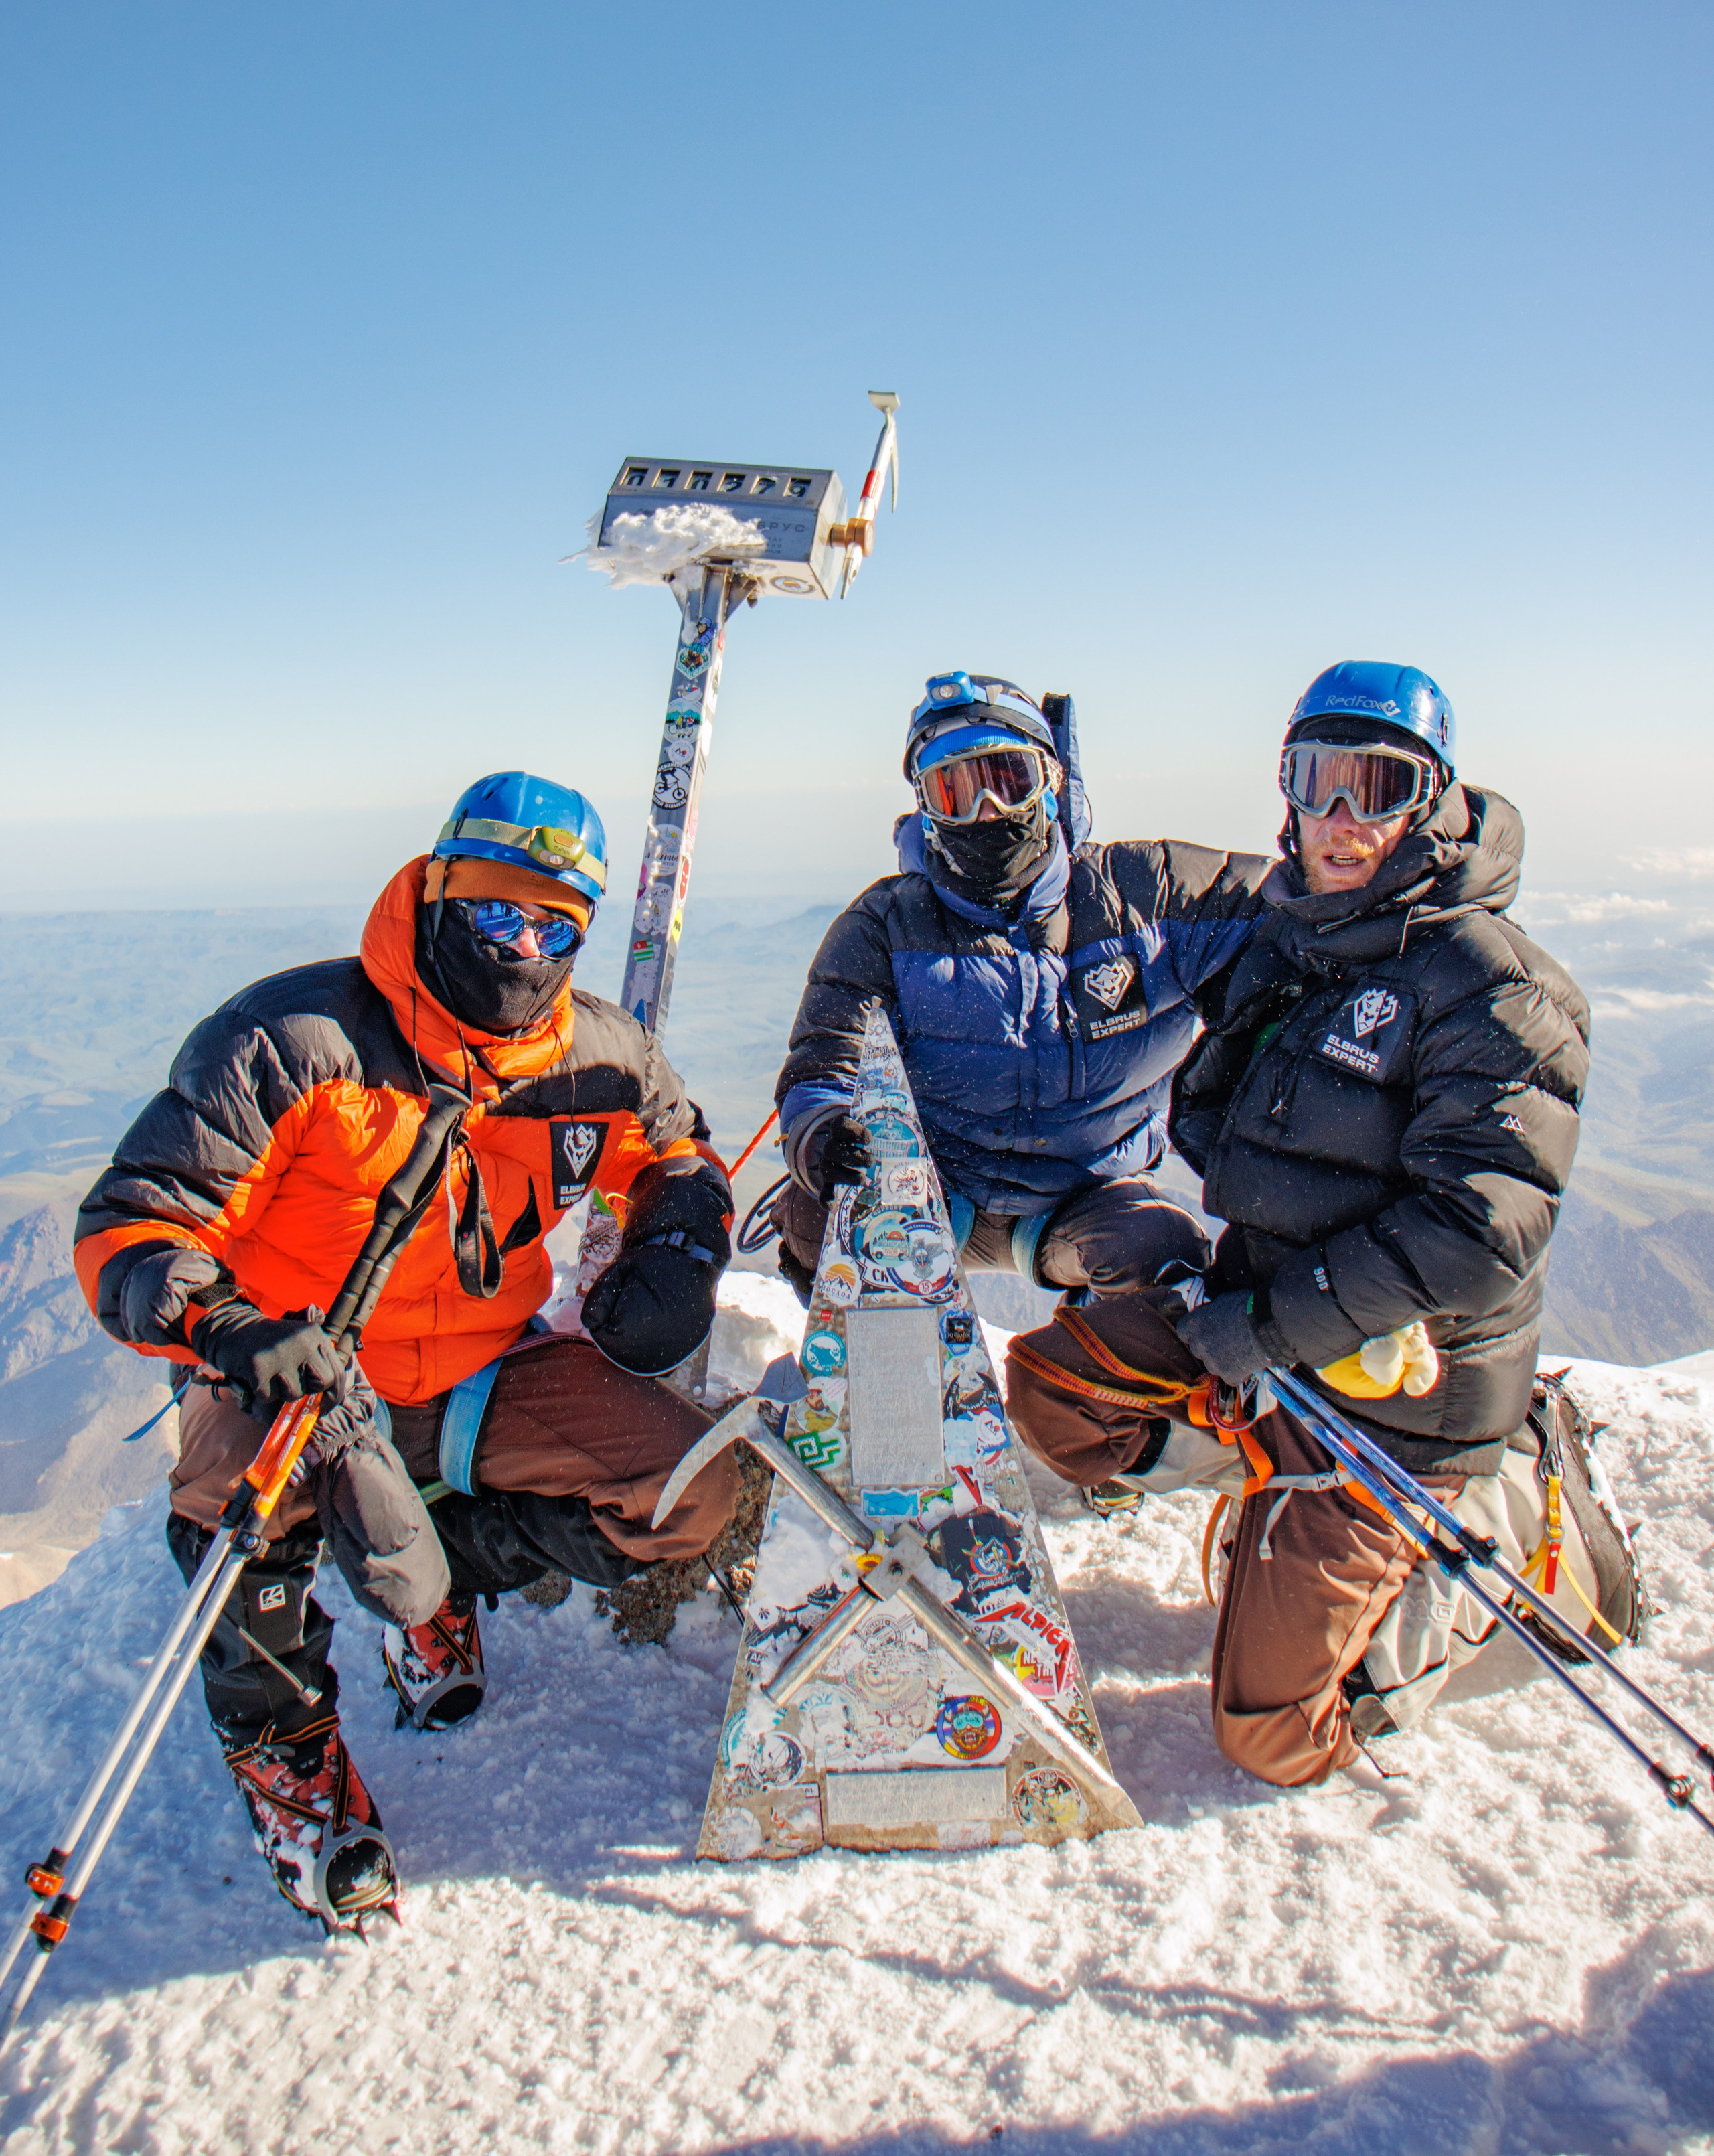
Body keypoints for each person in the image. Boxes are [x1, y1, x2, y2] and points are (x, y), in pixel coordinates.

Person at [76, 772, 739, 1929]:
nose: (522, 942)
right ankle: (292, 1762)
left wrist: (679, 1244)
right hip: (294, 1382)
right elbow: (131, 1225)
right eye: (493, 909)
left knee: (691, 1488)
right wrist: (228, 1327)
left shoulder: (595, 1058)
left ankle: (437, 1577)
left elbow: (678, 1151)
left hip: (481, 1368)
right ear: (436, 891)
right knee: (233, 1506)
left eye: (553, 923)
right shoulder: (294, 1044)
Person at [1004, 661, 1592, 1786]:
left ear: (1432, 802)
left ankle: (1500, 1536)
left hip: (1403, 1405)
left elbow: (1481, 1230)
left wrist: (1266, 1330)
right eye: (1315, 781)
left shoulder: (1497, 991)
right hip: (1267, 1338)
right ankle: (1266, 1490)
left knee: (1272, 1739)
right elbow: (1175, 896)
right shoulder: (1303, 935)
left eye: (1377, 786)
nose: (1339, 819)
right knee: (1057, 1390)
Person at [771, 672, 1281, 1359]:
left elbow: (1304, 902)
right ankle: (869, 1367)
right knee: (817, 1209)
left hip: (1083, 1202)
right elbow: (821, 1067)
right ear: (925, 808)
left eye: (1007, 778)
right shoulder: (887, 926)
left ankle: (1105, 1411)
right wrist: (824, 1138)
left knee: (1160, 1247)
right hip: (932, 1193)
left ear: (1052, 780)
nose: (985, 811)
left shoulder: (1146, 895)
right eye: (953, 791)